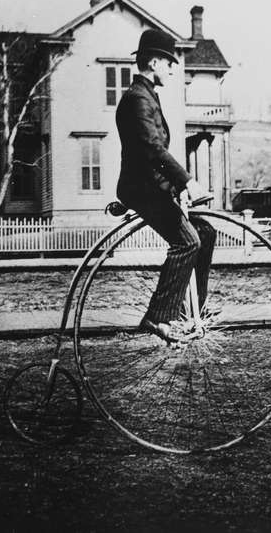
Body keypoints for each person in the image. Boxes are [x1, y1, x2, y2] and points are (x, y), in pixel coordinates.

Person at [115, 28, 216, 344]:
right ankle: (158, 317)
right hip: (143, 189)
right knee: (187, 242)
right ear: (154, 62)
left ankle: (190, 309)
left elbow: (154, 151)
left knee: (206, 232)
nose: (173, 69)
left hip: (154, 187)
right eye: (169, 62)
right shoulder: (136, 100)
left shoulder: (147, 97)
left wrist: (179, 188)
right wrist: (187, 181)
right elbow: (152, 150)